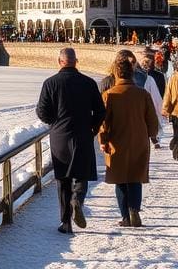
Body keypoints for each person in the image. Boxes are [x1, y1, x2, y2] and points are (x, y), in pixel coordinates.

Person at [36, 47, 105, 234]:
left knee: (63, 179)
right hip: (82, 134)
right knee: (82, 174)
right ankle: (77, 200)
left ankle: (65, 222)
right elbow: (101, 111)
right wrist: (93, 128)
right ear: (76, 62)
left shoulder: (50, 83)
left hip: (59, 137)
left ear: (60, 62)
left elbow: (41, 111)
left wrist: (54, 122)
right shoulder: (89, 83)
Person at [99, 55, 159, 227]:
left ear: (116, 73)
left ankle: (125, 216)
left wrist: (103, 140)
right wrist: (151, 135)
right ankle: (134, 210)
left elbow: (104, 122)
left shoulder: (109, 95)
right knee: (135, 178)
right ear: (132, 73)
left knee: (120, 180)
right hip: (139, 142)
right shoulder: (143, 94)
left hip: (116, 143)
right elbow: (152, 121)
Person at [162, 67, 178, 161]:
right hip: (175, 110)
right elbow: (168, 94)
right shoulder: (173, 78)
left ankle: (174, 143)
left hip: (174, 111)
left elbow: (168, 94)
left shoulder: (172, 77)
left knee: (176, 132)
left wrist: (165, 108)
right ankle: (176, 150)